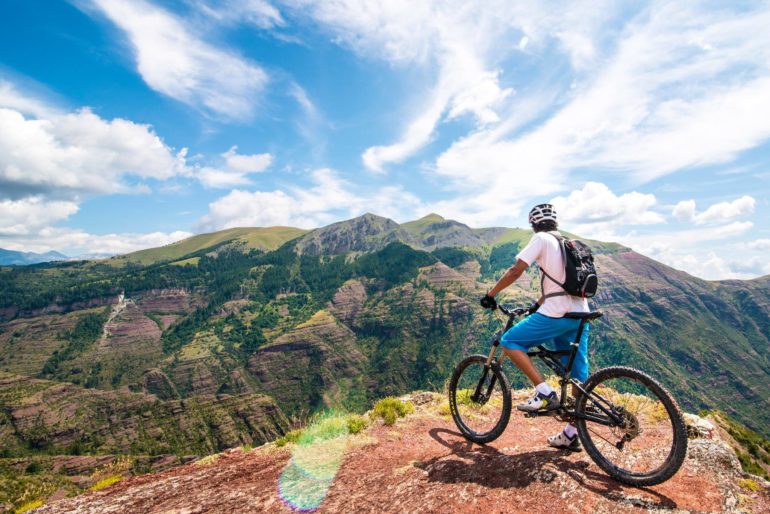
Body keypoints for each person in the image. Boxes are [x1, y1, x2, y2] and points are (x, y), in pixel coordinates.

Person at [480, 203, 590, 452]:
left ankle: (544, 393)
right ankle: (572, 433)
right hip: (580, 313)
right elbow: (561, 284)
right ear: (555, 222)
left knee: (509, 341)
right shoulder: (567, 243)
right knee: (576, 375)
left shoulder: (540, 239)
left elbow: (516, 270)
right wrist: (534, 306)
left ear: (533, 224)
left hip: (556, 314)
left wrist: (491, 294)